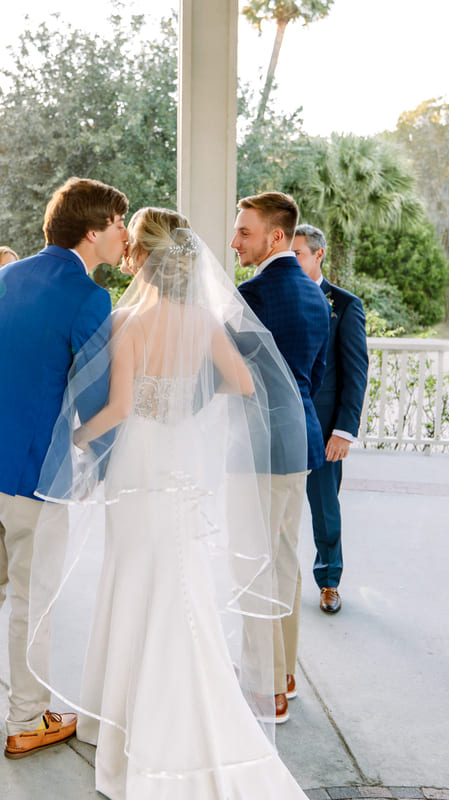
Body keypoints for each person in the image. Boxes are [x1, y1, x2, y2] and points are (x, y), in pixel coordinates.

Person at [29, 208, 309, 799]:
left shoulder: (129, 322)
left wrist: (75, 440)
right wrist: (187, 406)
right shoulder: (205, 321)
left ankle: (120, 713)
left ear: (144, 260)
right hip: (178, 461)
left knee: (131, 575)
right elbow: (245, 384)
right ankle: (188, 700)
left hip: (138, 464)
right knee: (180, 581)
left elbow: (119, 410)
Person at [0, 177, 128, 761]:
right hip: (32, 476)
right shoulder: (88, 298)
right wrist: (101, 461)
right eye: (119, 224)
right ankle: (28, 720)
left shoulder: (2, 277)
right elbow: (97, 397)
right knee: (33, 600)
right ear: (94, 231)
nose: (124, 235)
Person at [232, 192, 332, 723]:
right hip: (300, 442)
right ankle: (285, 673)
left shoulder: (251, 295)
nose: (234, 241)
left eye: (244, 232)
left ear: (276, 236)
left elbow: (232, 378)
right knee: (285, 560)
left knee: (255, 563)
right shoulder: (316, 296)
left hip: (260, 445)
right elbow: (312, 380)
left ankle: (266, 687)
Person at [292, 224, 369, 615]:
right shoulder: (278, 296)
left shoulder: (345, 305)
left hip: (324, 429)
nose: (292, 260)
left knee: (324, 507)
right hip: (283, 422)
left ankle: (329, 582)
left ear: (318, 255)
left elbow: (355, 374)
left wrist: (343, 431)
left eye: (299, 254)